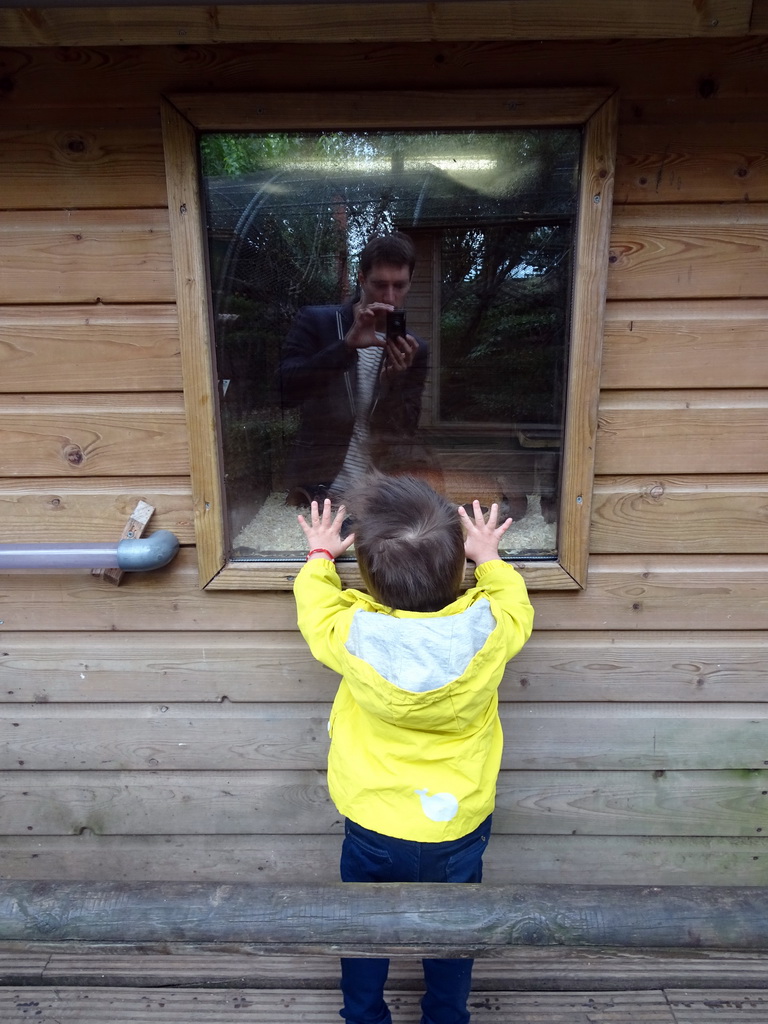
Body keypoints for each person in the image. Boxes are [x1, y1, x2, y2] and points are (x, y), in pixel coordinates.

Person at [292, 473, 535, 1024]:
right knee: (453, 929)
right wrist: (490, 560)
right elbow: (514, 601)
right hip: (457, 824)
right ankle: (447, 1015)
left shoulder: (351, 629)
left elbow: (314, 609)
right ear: (458, 568)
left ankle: (363, 1015)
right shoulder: (492, 627)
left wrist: (319, 556)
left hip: (373, 823)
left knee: (364, 926)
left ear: (370, 582)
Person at [279, 233, 430, 506]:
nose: (391, 297)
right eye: (380, 285)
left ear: (411, 283)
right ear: (361, 278)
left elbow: (405, 432)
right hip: (316, 490)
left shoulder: (414, 348)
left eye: (400, 285)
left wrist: (392, 383)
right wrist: (345, 347)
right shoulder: (318, 322)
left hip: (380, 494)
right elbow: (284, 392)